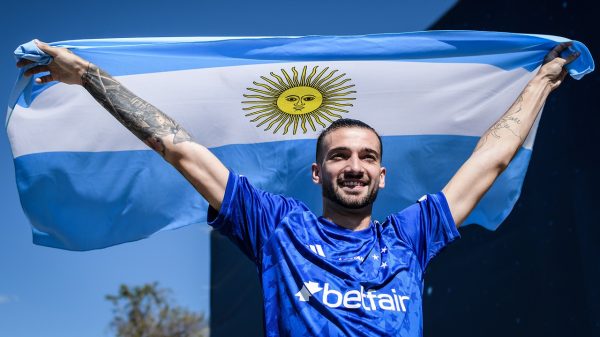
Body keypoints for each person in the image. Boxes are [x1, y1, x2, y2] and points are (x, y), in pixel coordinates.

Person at [18, 41, 579, 336]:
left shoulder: (412, 236)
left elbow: (492, 158)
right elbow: (179, 148)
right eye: (339, 156)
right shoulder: (277, 226)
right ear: (317, 173)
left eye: (367, 157)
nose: (354, 166)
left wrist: (542, 82)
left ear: (383, 175)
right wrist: (88, 76)